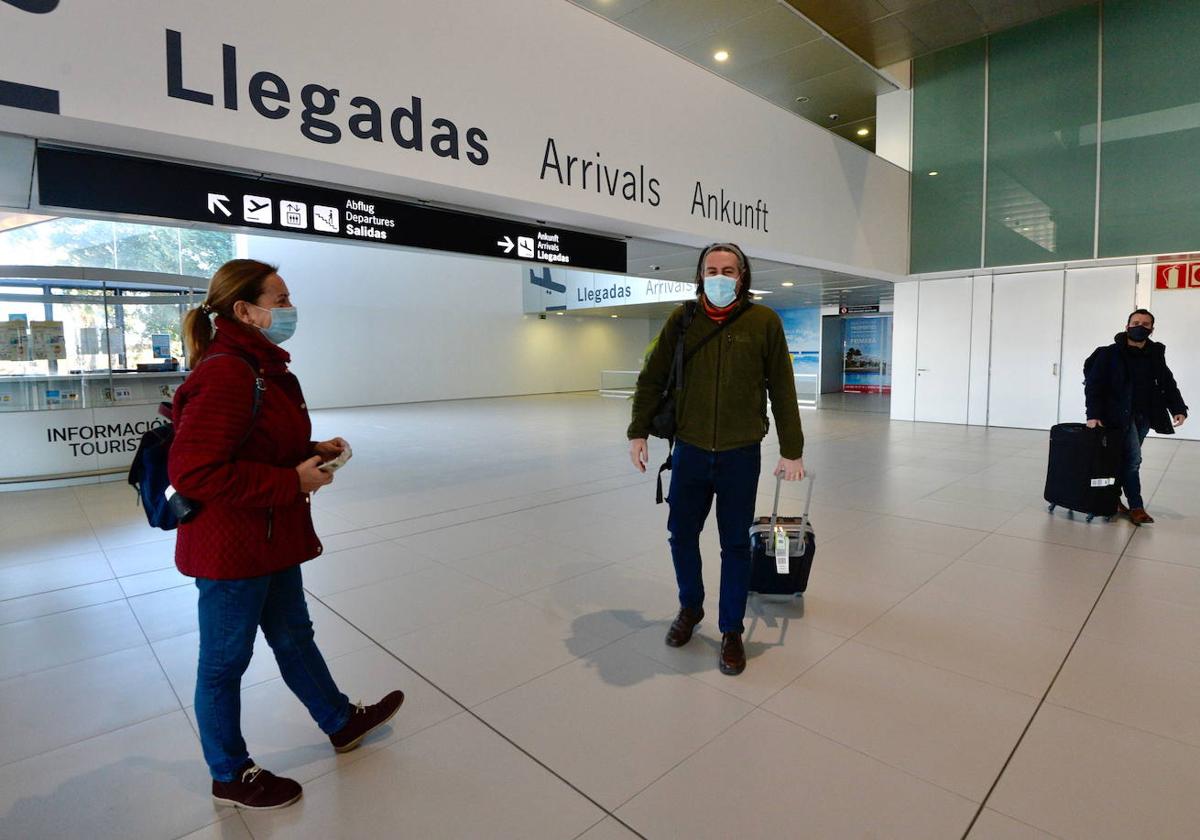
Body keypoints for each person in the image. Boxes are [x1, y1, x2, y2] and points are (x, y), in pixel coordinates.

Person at [170, 259, 404, 809]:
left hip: (270, 535)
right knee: (225, 662)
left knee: (295, 635)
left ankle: (340, 720)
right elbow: (195, 471)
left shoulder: (260, 367)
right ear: (244, 311)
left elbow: (257, 444)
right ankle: (228, 773)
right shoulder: (227, 370)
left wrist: (313, 453)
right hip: (232, 549)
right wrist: (288, 480)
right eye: (280, 300)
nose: (289, 309)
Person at [627, 243, 805, 676]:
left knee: (735, 545)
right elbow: (652, 378)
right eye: (712, 269)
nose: (720, 276)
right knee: (680, 534)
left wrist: (792, 449)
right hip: (688, 450)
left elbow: (781, 386)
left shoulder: (764, 322)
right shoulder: (683, 320)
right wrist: (638, 430)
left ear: (742, 276)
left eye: (728, 270)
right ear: (700, 274)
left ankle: (730, 630)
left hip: (740, 453)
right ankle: (691, 607)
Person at [1084, 308, 1188, 525]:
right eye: (1136, 322)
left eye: (1145, 324)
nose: (1140, 326)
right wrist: (1093, 414)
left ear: (1151, 329)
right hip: (1116, 416)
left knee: (1121, 459)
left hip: (1144, 416)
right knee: (1133, 460)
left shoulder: (1154, 354)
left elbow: (1167, 382)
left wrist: (1178, 408)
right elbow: (1094, 385)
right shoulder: (1109, 353)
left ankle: (1113, 499)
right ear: (1127, 326)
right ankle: (1136, 506)